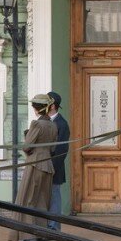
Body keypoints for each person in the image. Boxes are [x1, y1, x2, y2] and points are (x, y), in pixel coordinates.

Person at [12, 94, 58, 241]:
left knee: (29, 199)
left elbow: (27, 147)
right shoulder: (52, 125)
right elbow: (53, 148)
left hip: (35, 164)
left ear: (36, 108)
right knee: (42, 201)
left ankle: (29, 235)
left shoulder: (36, 124)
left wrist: (27, 137)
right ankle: (40, 234)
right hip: (48, 165)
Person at [46, 91, 70, 232]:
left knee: (54, 196)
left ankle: (54, 226)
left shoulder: (61, 124)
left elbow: (61, 149)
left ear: (53, 106)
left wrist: (52, 167)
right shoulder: (45, 121)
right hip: (45, 166)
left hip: (54, 167)